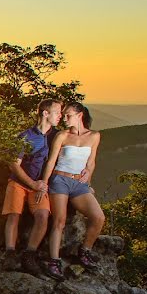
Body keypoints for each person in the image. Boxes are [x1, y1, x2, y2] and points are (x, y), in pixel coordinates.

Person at [37, 101, 106, 280]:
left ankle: (85, 251)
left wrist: (88, 180)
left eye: (68, 115)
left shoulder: (94, 136)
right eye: (64, 115)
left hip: (78, 184)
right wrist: (44, 183)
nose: (64, 118)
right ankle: (54, 261)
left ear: (79, 115)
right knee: (59, 220)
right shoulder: (62, 135)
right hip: (60, 180)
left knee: (99, 218)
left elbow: (91, 162)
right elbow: (51, 161)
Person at [2, 99, 62, 273]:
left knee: (43, 216)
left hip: (41, 185)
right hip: (20, 182)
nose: (60, 116)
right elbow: (14, 164)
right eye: (57, 112)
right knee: (14, 215)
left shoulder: (56, 137)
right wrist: (32, 184)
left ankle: (30, 254)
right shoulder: (26, 136)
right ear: (45, 113)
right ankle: (10, 254)